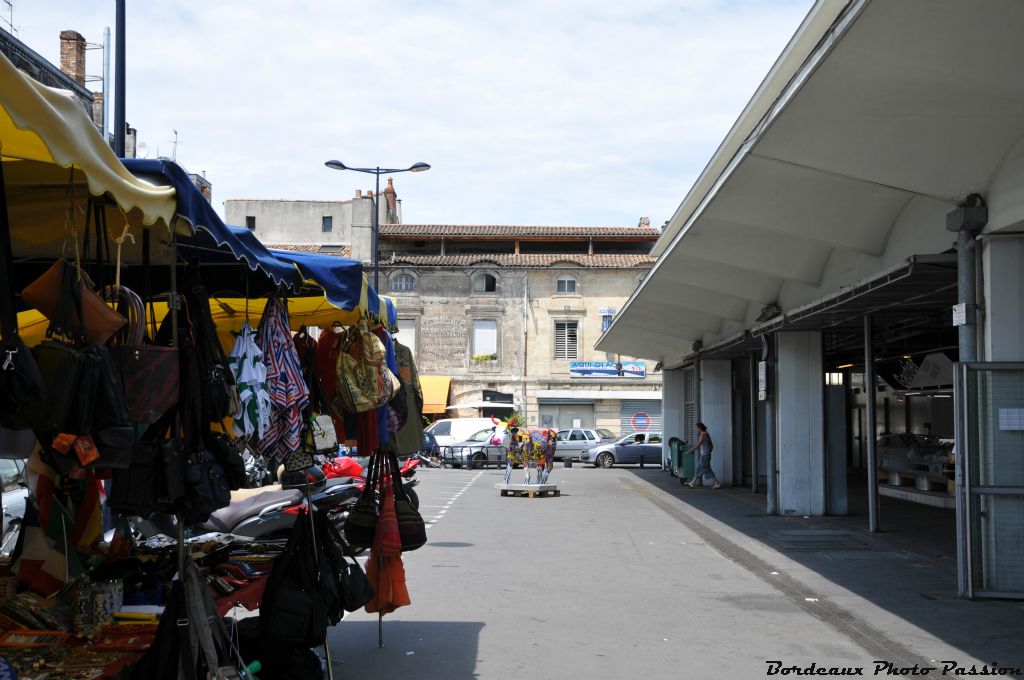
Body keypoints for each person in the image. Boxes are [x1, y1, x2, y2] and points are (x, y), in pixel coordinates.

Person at [685, 422, 720, 489]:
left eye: (696, 428)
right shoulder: (706, 434)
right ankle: (692, 482)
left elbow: (698, 445)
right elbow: (711, 446)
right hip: (705, 455)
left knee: (707, 469)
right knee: (699, 469)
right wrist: (709, 452)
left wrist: (689, 451)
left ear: (699, 428)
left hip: (705, 456)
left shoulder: (703, 434)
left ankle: (717, 483)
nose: (696, 430)